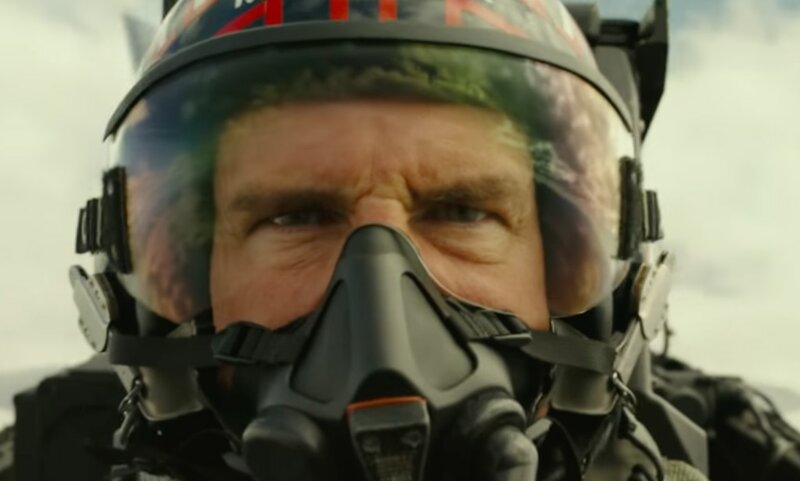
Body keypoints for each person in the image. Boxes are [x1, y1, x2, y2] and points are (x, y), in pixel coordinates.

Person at [3, 0, 799, 480]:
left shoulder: (743, 458)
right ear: (182, 280)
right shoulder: (48, 456)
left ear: (571, 273)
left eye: (461, 210)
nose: (382, 316)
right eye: (294, 216)